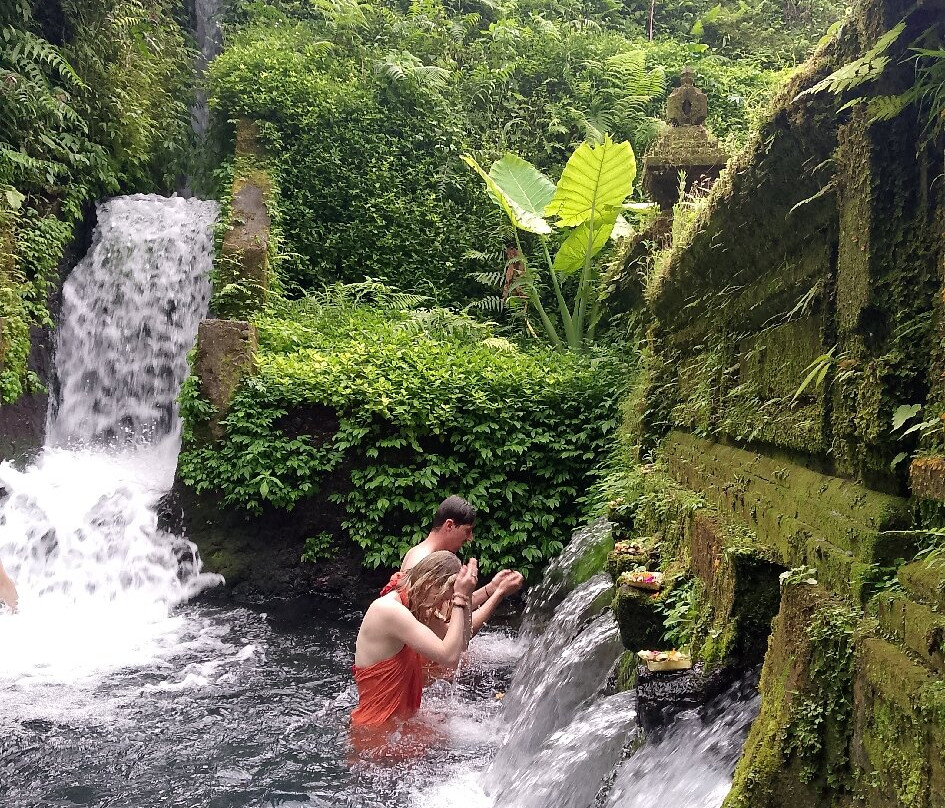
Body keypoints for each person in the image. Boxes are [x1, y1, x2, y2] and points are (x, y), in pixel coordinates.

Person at [351, 550, 476, 728]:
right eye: (443, 598)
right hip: (376, 730)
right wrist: (459, 599)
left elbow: (461, 644)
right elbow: (449, 658)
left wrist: (467, 596)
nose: (442, 605)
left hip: (399, 724)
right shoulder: (389, 610)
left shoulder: (416, 604)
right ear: (430, 583)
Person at [382, 495, 524, 637]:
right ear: (449, 525)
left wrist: (491, 588)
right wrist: (499, 594)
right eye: (467, 531)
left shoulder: (422, 554)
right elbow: (454, 636)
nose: (470, 538)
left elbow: (452, 607)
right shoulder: (425, 563)